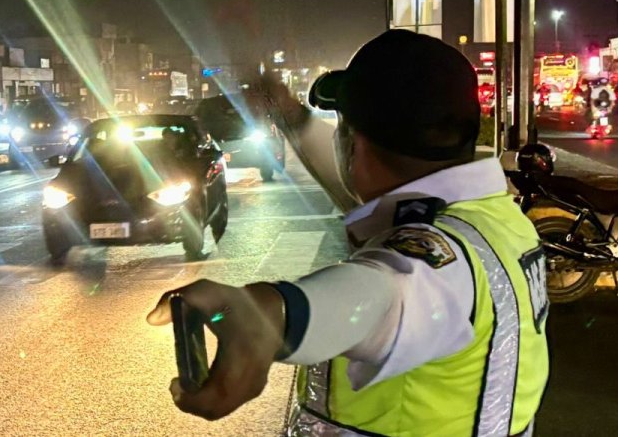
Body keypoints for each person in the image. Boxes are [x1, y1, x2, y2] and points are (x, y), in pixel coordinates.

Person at [147, 30, 549, 436]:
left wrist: (273, 314)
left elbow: (387, 290)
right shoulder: (496, 221)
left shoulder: (436, 257)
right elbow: (364, 189)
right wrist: (288, 112)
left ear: (354, 143)